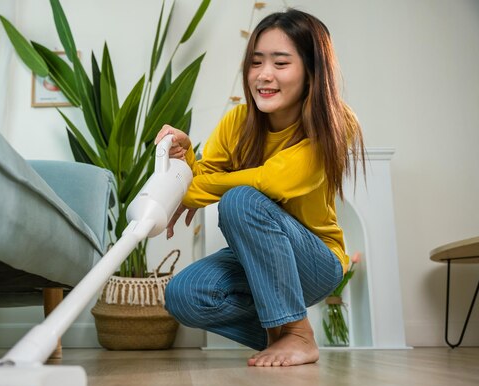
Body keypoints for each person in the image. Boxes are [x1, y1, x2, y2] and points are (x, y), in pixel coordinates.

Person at [154, 8, 365, 367]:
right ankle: (278, 332)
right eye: (256, 62)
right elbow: (201, 178)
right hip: (257, 265)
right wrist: (186, 159)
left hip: (316, 263)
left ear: (311, 71)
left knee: (241, 200)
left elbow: (274, 181)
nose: (264, 75)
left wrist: (203, 189)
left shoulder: (335, 122)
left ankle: (299, 333)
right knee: (183, 295)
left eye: (281, 63)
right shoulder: (237, 121)